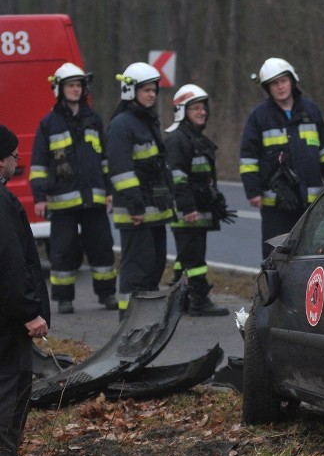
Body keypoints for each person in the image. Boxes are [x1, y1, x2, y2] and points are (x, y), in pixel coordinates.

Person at [29, 62, 118, 315]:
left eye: (78, 85)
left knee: (101, 246)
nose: (75, 90)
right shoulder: (49, 123)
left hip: (94, 198)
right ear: (60, 89)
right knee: (63, 250)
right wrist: (39, 197)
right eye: (70, 85)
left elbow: (104, 160)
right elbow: (38, 165)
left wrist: (110, 190)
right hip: (62, 201)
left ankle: (107, 294)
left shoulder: (94, 120)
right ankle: (64, 299)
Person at [239, 57, 324, 259]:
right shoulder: (259, 117)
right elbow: (248, 156)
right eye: (274, 83)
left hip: (310, 203)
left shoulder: (311, 111)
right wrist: (253, 191)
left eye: (283, 81)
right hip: (275, 205)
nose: (280, 87)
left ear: (292, 81)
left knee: (309, 255)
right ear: (268, 88)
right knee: (275, 257)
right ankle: (272, 291)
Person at [0, 125, 50, 456]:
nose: (17, 162)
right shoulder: (2, 202)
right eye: (14, 156)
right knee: (11, 389)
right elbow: (12, 262)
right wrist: (29, 312)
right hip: (8, 321)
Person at [106, 62, 174, 320]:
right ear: (130, 91)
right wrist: (135, 207)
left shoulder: (148, 121)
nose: (151, 94)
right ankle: (129, 325)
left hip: (154, 212)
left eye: (154, 90)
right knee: (136, 272)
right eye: (145, 90)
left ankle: (146, 320)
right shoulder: (122, 125)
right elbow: (121, 171)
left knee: (153, 269)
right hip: (137, 214)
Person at [164, 84, 228, 316]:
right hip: (188, 212)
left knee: (185, 258)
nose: (202, 112)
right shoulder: (178, 140)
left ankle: (179, 298)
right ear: (182, 111)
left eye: (203, 108)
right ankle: (199, 300)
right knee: (195, 258)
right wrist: (188, 207)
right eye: (195, 108)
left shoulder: (195, 138)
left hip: (196, 210)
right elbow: (177, 178)